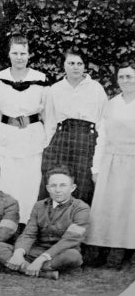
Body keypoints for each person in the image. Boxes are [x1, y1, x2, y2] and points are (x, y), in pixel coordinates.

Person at [0, 34, 48, 224]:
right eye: (15, 52)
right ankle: (5, 224)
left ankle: (26, 225)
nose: (19, 57)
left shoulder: (40, 78)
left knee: (29, 181)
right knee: (6, 180)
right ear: (9, 54)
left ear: (29, 54)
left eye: (23, 53)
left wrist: (44, 140)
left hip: (31, 137)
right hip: (6, 137)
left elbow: (46, 113)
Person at [0, 166, 90, 280]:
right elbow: (29, 234)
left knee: (73, 257)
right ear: (47, 188)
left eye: (63, 185)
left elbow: (70, 239)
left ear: (72, 188)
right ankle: (42, 273)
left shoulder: (81, 208)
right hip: (36, 251)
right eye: (53, 185)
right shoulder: (39, 206)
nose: (57, 190)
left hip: (60, 253)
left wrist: (41, 259)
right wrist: (18, 254)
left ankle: (16, 267)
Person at [40, 49, 107, 205]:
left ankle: (79, 226)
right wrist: (47, 147)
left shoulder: (96, 89)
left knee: (83, 186)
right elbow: (50, 122)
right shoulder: (55, 89)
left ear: (85, 66)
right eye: (71, 63)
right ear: (63, 65)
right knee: (58, 183)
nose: (75, 67)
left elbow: (102, 123)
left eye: (79, 64)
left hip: (86, 142)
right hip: (61, 142)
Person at [86, 63, 135, 268]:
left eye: (130, 77)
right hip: (111, 161)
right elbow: (102, 138)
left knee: (128, 208)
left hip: (132, 161)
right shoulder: (111, 104)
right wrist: (96, 168)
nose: (126, 80)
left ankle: (121, 251)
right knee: (107, 208)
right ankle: (98, 250)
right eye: (122, 77)